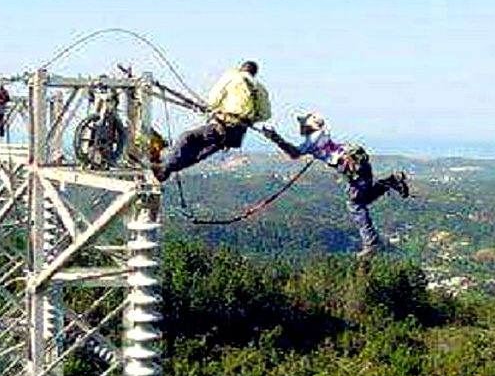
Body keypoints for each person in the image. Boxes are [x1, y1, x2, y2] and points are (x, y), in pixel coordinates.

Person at [261, 112, 409, 257]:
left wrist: (275, 138)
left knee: (355, 205)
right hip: (359, 163)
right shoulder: (320, 135)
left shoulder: (312, 139)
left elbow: (294, 153)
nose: (300, 127)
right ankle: (391, 181)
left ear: (309, 126)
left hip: (354, 167)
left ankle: (371, 242)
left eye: (302, 125)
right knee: (362, 200)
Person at [152, 61, 271, 182]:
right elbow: (265, 115)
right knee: (200, 153)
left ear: (241, 69)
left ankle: (165, 169)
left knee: (188, 138)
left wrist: (217, 110)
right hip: (237, 134)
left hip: (223, 125)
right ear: (254, 73)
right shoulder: (259, 88)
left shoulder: (233, 77)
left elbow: (214, 99)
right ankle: (167, 169)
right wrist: (247, 118)